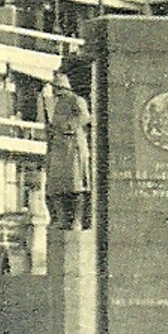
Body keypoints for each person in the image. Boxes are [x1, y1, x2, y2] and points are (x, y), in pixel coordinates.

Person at [41, 72, 94, 232]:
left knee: (76, 185)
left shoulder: (76, 100)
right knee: (56, 186)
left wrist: (67, 126)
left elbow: (85, 117)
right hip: (58, 148)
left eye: (56, 88)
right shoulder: (56, 104)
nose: (54, 91)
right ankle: (62, 219)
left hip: (74, 147)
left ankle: (77, 220)